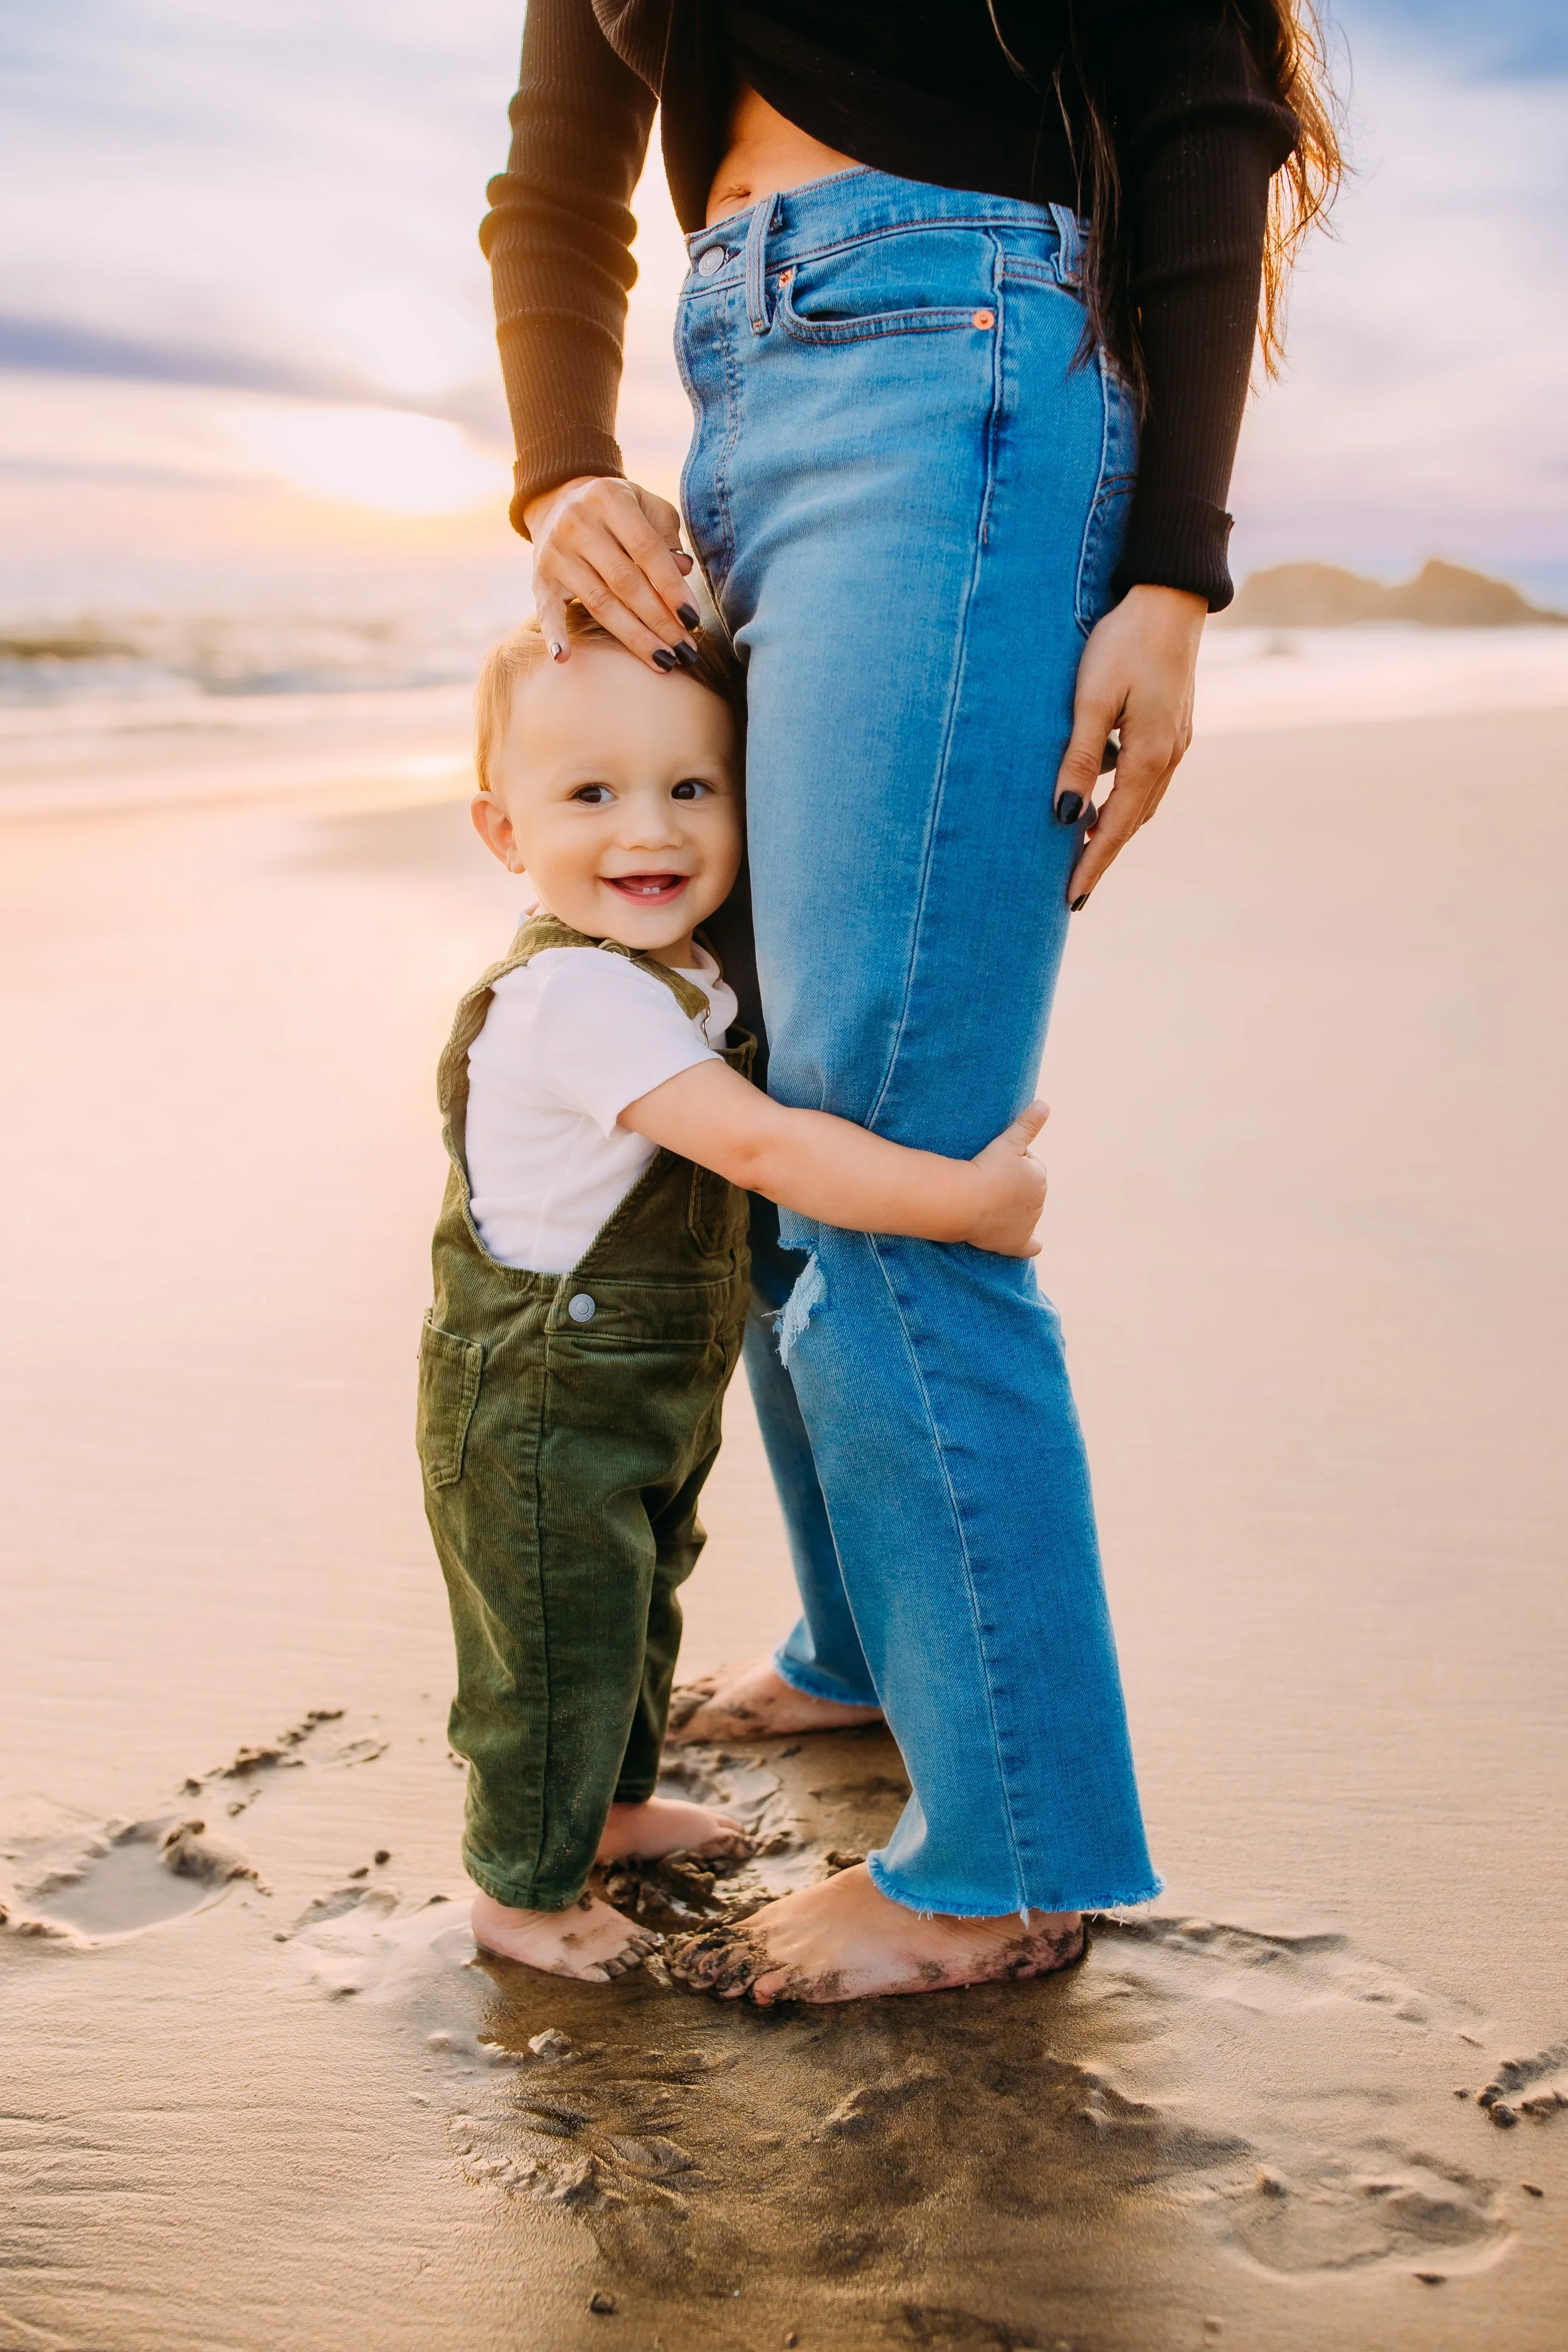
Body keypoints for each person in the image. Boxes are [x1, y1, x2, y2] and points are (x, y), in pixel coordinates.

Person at [479, 2, 1341, 2002]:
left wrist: (1173, 577)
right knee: (759, 1088)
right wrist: (555, 472)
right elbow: (555, 161)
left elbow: (1198, 90)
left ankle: (1002, 1864)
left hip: (954, 351)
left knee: (876, 1145)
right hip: (736, 391)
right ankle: (863, 1645)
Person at [416, 608, 1051, 1981]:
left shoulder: (677, 974)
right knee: (552, 1635)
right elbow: (760, 1148)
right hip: (537, 1396)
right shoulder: (576, 1001)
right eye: (590, 794)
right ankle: (519, 1892)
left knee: (637, 1601)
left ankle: (615, 1807)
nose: (648, 829)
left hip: (637, 1386)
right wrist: (965, 1203)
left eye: (690, 789)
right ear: (503, 831)